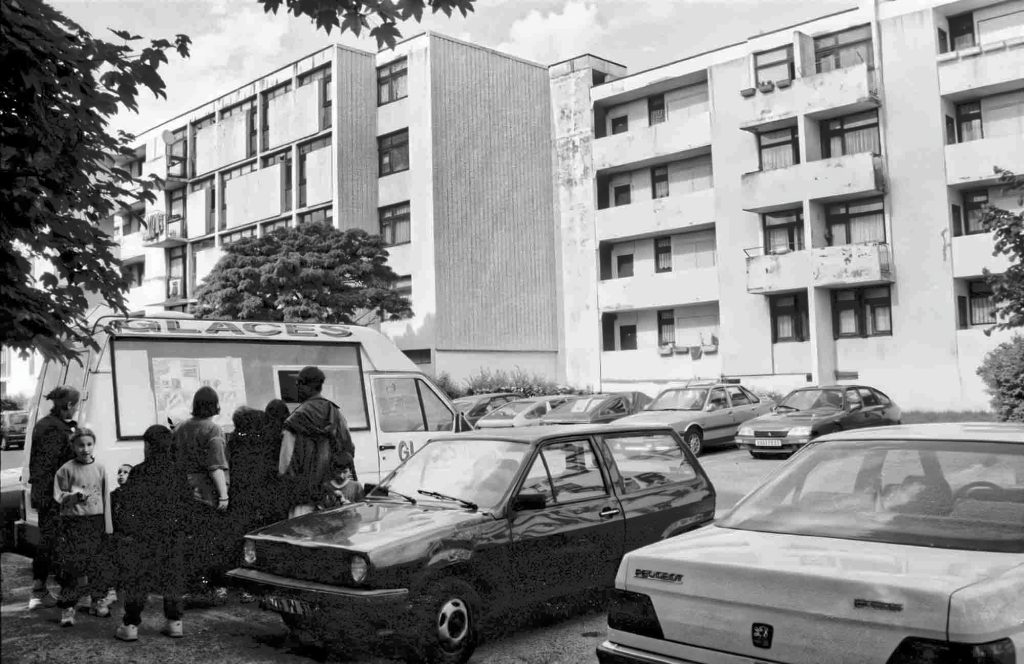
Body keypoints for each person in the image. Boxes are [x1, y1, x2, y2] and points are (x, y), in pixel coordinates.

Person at [114, 425, 190, 641]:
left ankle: (130, 626)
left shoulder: (138, 472)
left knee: (139, 579)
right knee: (173, 577)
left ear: (147, 445)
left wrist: (128, 530)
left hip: (145, 535)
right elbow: (187, 503)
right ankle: (175, 622)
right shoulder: (178, 471)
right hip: (173, 534)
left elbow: (129, 504)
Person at [172, 387, 231, 600]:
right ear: (215, 405)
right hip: (207, 493)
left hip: (185, 491)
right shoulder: (214, 430)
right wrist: (223, 495)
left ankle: (191, 586)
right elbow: (215, 466)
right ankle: (211, 587)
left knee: (190, 541)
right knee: (211, 541)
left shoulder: (180, 428)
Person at [27, 386, 79, 611]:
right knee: (52, 542)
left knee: (49, 541)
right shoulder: (55, 430)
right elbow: (54, 467)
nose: (75, 410)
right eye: (75, 406)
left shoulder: (47, 425)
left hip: (44, 493)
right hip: (52, 495)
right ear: (68, 406)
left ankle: (42, 589)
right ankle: (40, 591)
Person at [278, 366, 354, 517]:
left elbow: (285, 464)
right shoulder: (336, 414)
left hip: (304, 499)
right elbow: (349, 450)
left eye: (298, 384)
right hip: (333, 498)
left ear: (305, 386)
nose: (297, 388)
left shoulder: (295, 420)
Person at [52, 428, 108, 627]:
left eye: (89, 444)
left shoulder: (100, 468)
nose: (85, 449)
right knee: (72, 565)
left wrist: (107, 525)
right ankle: (68, 607)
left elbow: (105, 497)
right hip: (73, 522)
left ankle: (98, 600)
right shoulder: (66, 470)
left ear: (94, 445)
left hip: (96, 521)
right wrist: (72, 498)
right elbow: (58, 496)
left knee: (97, 563)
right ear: (73, 446)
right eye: (80, 445)